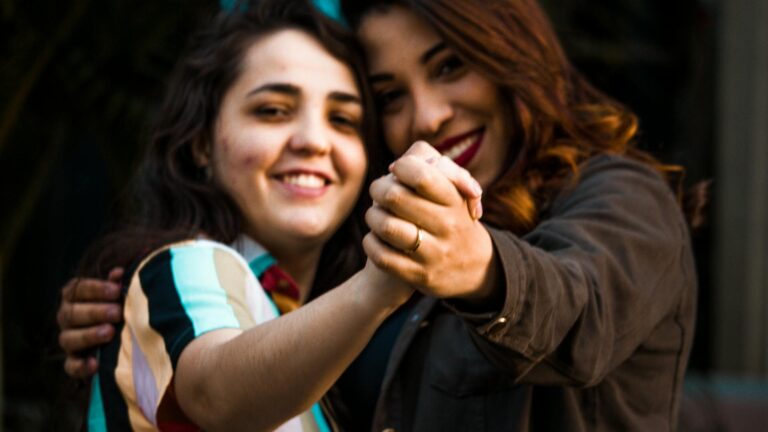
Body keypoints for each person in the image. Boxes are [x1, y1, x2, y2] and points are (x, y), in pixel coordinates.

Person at [60, 0, 704, 430]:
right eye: (391, 96)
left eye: (450, 66)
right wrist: (139, 315)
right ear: (201, 140)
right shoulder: (340, 277)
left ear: (511, 53)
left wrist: (478, 268)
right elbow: (218, 380)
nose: (426, 117)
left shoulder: (621, 196)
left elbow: (580, 304)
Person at [62, 1, 478, 429]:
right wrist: (380, 282)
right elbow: (214, 395)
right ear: (202, 142)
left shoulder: (312, 324)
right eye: (273, 110)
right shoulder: (188, 263)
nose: (315, 141)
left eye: (343, 118)